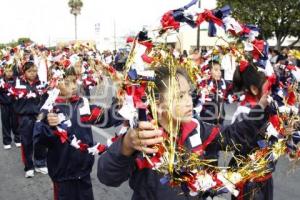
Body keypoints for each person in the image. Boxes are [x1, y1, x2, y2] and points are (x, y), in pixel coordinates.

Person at [97, 66, 270, 200]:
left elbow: (231, 137)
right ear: (157, 104)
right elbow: (107, 177)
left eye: (188, 94)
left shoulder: (197, 129)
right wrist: (126, 145)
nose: (189, 101)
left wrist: (261, 110)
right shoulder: (142, 137)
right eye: (179, 96)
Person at [33, 67, 122, 200]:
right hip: (62, 174)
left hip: (83, 171)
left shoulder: (83, 105)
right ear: (57, 83)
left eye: (74, 82)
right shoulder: (50, 108)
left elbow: (105, 117)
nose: (74, 86)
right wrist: (49, 126)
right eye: (67, 83)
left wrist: (119, 103)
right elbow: (39, 138)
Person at [230, 62, 273, 200]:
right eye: (268, 89)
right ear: (255, 89)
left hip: (263, 177)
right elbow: (241, 145)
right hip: (248, 180)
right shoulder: (246, 113)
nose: (270, 93)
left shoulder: (264, 109)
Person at [12, 61, 48, 178]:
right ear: (24, 72)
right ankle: (29, 167)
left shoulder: (41, 83)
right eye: (29, 71)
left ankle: (40, 163)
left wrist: (43, 113)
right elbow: (11, 97)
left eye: (34, 71)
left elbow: (47, 100)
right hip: (25, 117)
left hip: (39, 116)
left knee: (41, 140)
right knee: (27, 142)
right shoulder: (17, 83)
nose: (33, 73)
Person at [0, 64, 20, 149]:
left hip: (14, 104)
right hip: (4, 105)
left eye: (11, 71)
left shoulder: (16, 80)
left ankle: (17, 139)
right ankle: (7, 141)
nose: (9, 73)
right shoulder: (1, 80)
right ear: (4, 71)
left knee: (15, 122)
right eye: (7, 71)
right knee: (5, 123)